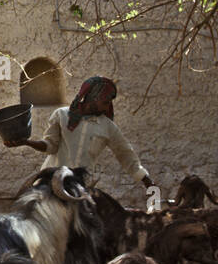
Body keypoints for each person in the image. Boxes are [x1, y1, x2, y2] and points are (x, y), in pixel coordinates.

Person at [24, 75, 154, 192]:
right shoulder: (61, 115)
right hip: (51, 182)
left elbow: (125, 154)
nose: (107, 108)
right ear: (92, 98)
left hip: (79, 187)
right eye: (105, 103)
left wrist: (148, 182)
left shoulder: (108, 127)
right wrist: (26, 142)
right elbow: (50, 146)